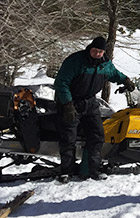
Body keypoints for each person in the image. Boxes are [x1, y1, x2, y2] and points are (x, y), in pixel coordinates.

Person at [54, 36, 134, 182]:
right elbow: (61, 83)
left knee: (97, 135)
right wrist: (67, 104)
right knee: (68, 138)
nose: (97, 54)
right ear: (90, 48)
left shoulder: (105, 64)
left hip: (90, 102)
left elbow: (115, 74)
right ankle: (66, 172)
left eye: (100, 52)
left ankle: (91, 170)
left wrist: (126, 80)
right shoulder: (76, 61)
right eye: (95, 51)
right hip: (71, 102)